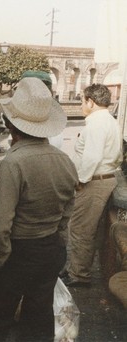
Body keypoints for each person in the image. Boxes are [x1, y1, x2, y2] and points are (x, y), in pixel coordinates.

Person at [0, 78, 78, 342]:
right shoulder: (64, 161)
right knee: (38, 317)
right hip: (50, 248)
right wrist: (58, 244)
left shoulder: (14, 162)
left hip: (19, 252)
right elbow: (67, 213)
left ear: (10, 126)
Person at [61, 83, 123, 288]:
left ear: (91, 101)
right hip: (103, 179)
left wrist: (80, 181)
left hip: (94, 181)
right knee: (88, 228)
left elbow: (92, 156)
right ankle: (78, 269)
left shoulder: (96, 123)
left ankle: (79, 274)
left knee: (80, 228)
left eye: (82, 101)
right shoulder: (109, 120)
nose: (81, 105)